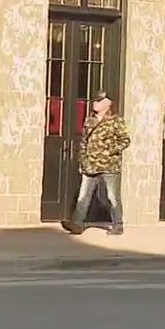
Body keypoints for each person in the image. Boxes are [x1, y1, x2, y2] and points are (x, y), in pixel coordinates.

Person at [61, 90, 131, 236]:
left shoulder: (116, 121)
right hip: (90, 165)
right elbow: (84, 142)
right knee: (83, 196)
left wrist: (109, 151)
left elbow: (125, 140)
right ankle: (77, 224)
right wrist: (82, 160)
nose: (95, 103)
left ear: (108, 103)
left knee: (113, 197)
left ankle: (118, 225)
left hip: (109, 165)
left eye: (99, 101)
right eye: (95, 101)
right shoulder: (89, 120)